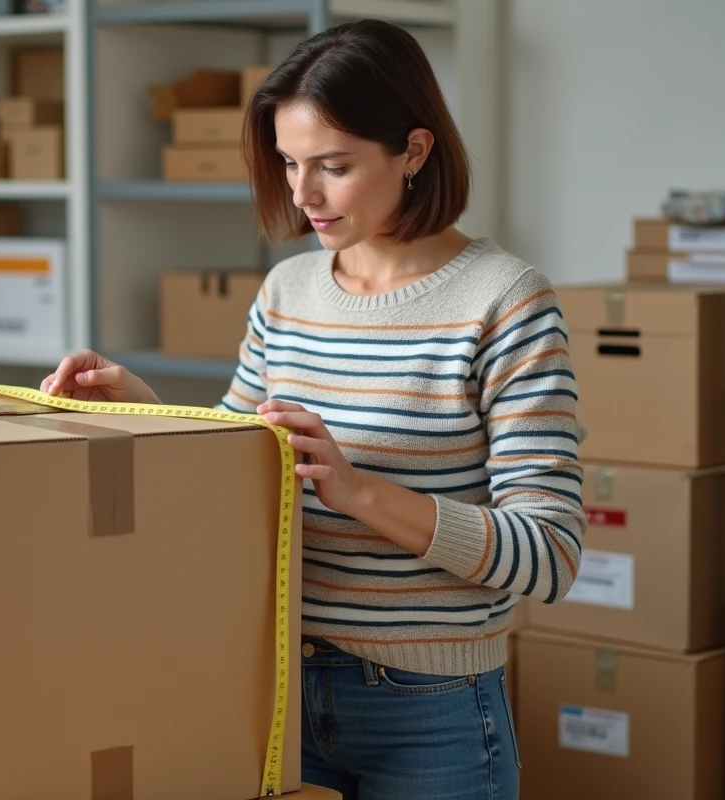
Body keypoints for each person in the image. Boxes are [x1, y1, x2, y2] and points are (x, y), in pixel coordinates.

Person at [41, 18, 586, 800]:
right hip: (280, 691)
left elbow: (550, 553)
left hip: (434, 713)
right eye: (290, 163)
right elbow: (242, 461)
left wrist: (361, 493)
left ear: (415, 151)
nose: (303, 194)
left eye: (333, 165)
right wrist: (141, 407)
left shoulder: (505, 301)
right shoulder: (288, 291)